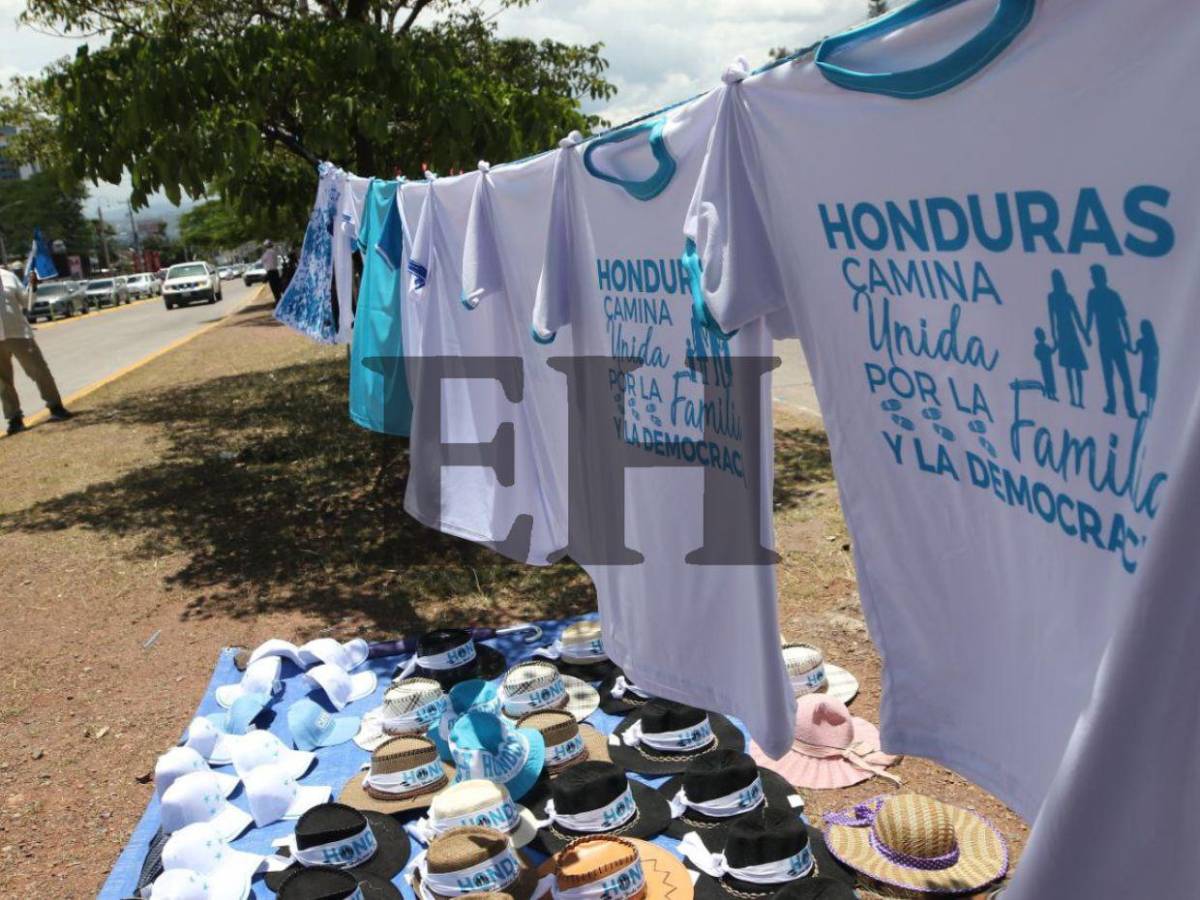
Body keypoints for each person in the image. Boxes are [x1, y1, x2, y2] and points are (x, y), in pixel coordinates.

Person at [0, 268, 72, 436]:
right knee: (3, 381)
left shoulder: (8, 276)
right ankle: (15, 420)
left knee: (40, 371)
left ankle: (56, 407)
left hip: (19, 334)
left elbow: (27, 302)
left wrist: (32, 287)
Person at [1084, 264, 1137, 418]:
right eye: (1092, 276)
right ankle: (1112, 404)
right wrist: (1087, 334)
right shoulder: (1092, 294)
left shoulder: (1112, 295)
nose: (1093, 279)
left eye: (1095, 276)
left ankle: (1130, 407)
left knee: (1124, 376)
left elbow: (1123, 320)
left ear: (1101, 277)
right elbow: (1089, 316)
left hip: (1116, 340)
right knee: (1109, 375)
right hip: (1105, 342)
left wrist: (1128, 340)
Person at [1046, 268, 1089, 408]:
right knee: (1071, 368)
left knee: (1074, 368)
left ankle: (1079, 399)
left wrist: (1084, 334)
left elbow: (1076, 316)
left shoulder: (1065, 296)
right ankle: (1074, 398)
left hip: (1069, 333)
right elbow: (1051, 317)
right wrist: (1054, 336)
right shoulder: (1053, 297)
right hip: (1065, 333)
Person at [1130, 318, 1159, 418]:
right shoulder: (1150, 342)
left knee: (1148, 391)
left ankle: (1149, 411)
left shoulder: (1142, 341)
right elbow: (1136, 352)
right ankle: (1149, 411)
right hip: (1150, 368)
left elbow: (1135, 352)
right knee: (1150, 391)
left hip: (1148, 368)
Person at [1033, 326, 1058, 401]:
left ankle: (1052, 394)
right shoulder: (1039, 346)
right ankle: (1049, 394)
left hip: (1048, 365)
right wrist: (1042, 357)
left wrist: (1056, 346)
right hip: (1045, 365)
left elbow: (1051, 351)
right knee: (1048, 379)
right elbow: (1036, 354)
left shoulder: (1045, 346)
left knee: (1050, 379)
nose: (1044, 336)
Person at [259, 239, 282, 305]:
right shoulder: (274, 252)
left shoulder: (265, 254)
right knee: (278, 286)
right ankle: (279, 299)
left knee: (274, 288)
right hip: (275, 271)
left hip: (270, 273)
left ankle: (277, 301)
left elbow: (263, 262)